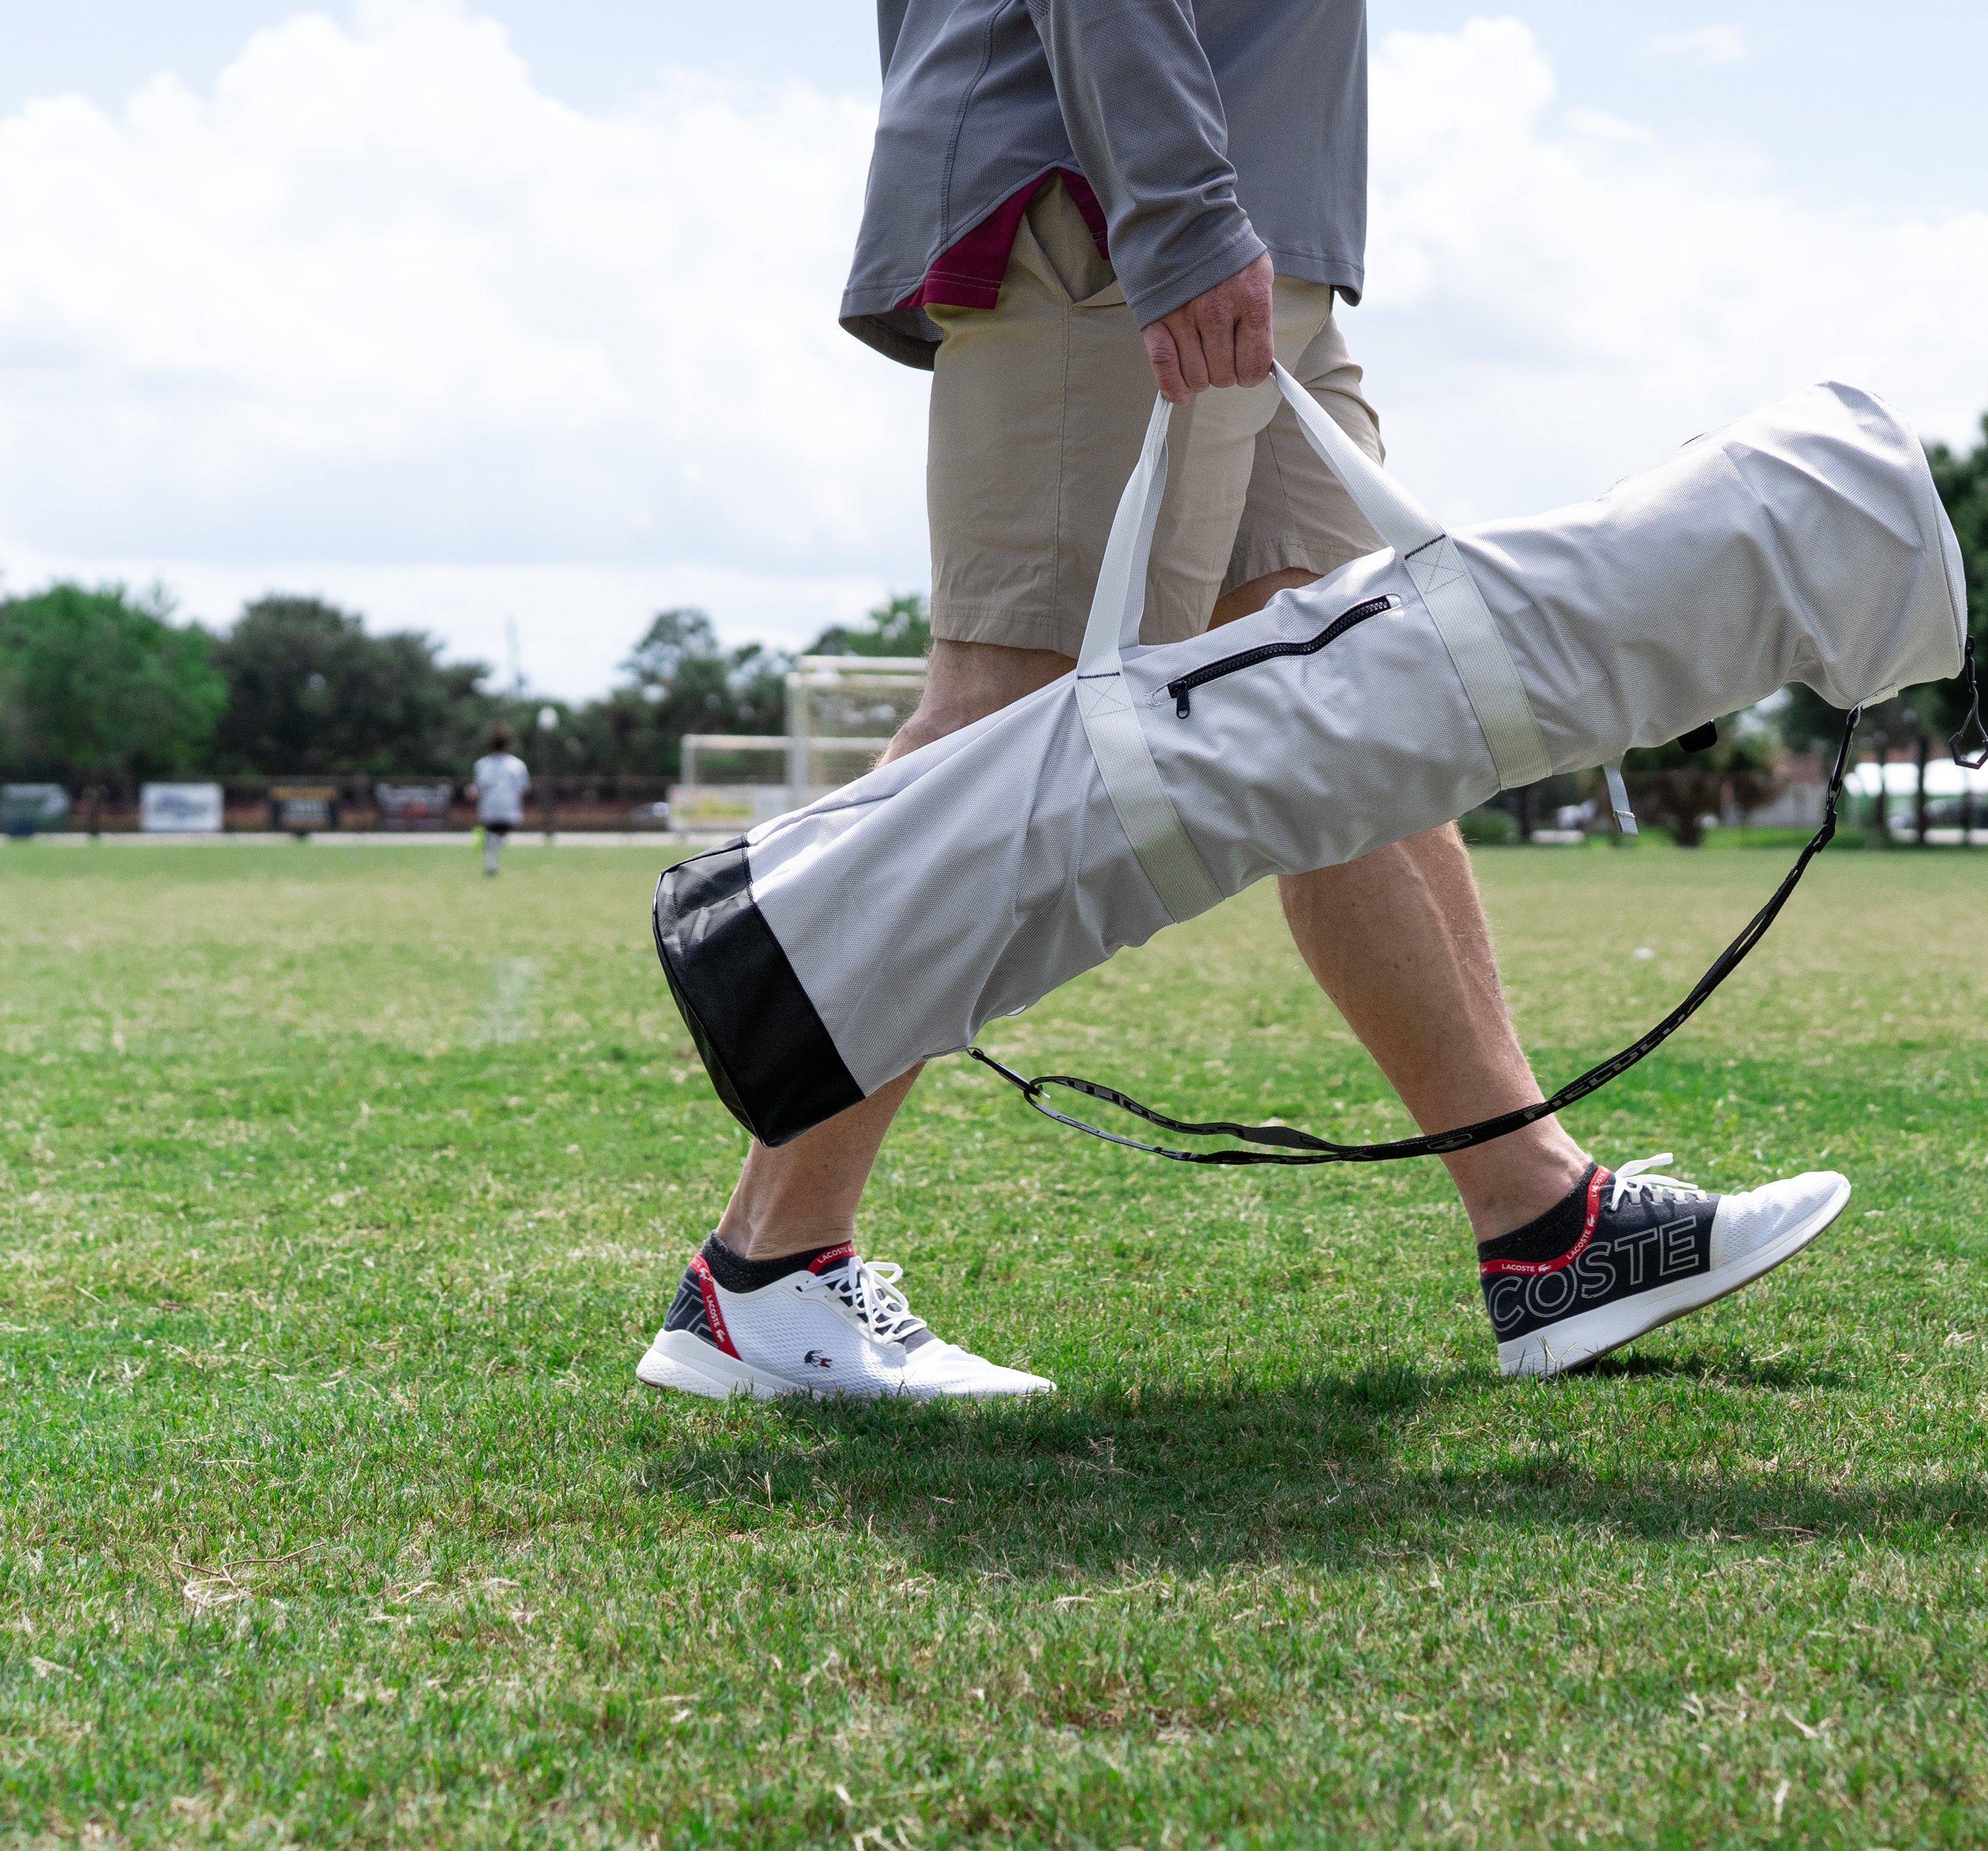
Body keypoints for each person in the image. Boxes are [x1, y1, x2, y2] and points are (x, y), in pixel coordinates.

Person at [634, 0, 1849, 1404]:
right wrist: (1179, 212)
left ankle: (1547, 1224)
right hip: (1115, 207)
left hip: (1246, 222)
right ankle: (763, 1271)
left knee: (1361, 713)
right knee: (1005, 729)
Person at [468, 726, 529, 876]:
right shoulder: (517, 765)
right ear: (507, 746)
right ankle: (492, 863)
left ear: (490, 746)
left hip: (489, 806)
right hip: (509, 806)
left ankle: (491, 864)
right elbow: (523, 788)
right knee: (498, 834)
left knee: (493, 835)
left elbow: (477, 788)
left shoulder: (482, 764)